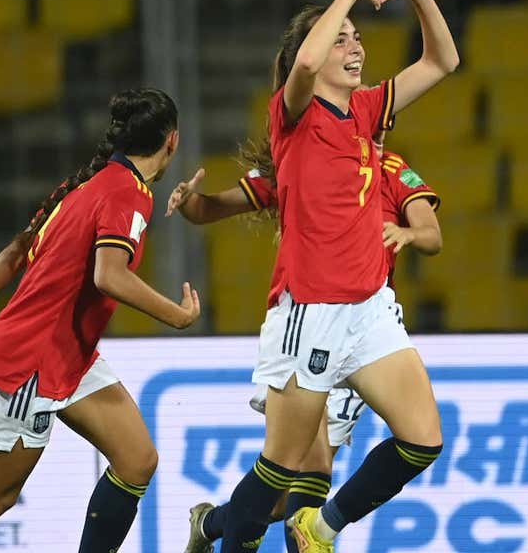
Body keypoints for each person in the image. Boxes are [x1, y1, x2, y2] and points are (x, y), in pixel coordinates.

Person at [202, 0, 459, 553]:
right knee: (282, 469)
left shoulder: (366, 112)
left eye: (358, 37)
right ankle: (214, 529)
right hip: (310, 309)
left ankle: (318, 528)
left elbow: (443, 61)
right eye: (342, 38)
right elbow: (310, 60)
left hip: (368, 309)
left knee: (422, 439)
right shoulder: (292, 115)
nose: (355, 47)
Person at [0, 88, 202, 553]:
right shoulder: (129, 194)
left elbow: (14, 253)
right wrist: (178, 315)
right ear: (173, 141)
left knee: (136, 460)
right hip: (30, 363)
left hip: (69, 354)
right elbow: (108, 275)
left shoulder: (89, 184)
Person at [166, 128, 442, 552]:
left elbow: (431, 234)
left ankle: (212, 523)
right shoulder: (300, 162)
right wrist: (189, 203)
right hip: (309, 320)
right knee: (293, 480)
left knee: (301, 485)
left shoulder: (390, 169)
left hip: (366, 327)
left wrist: (406, 234)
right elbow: (209, 209)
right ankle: (220, 524)